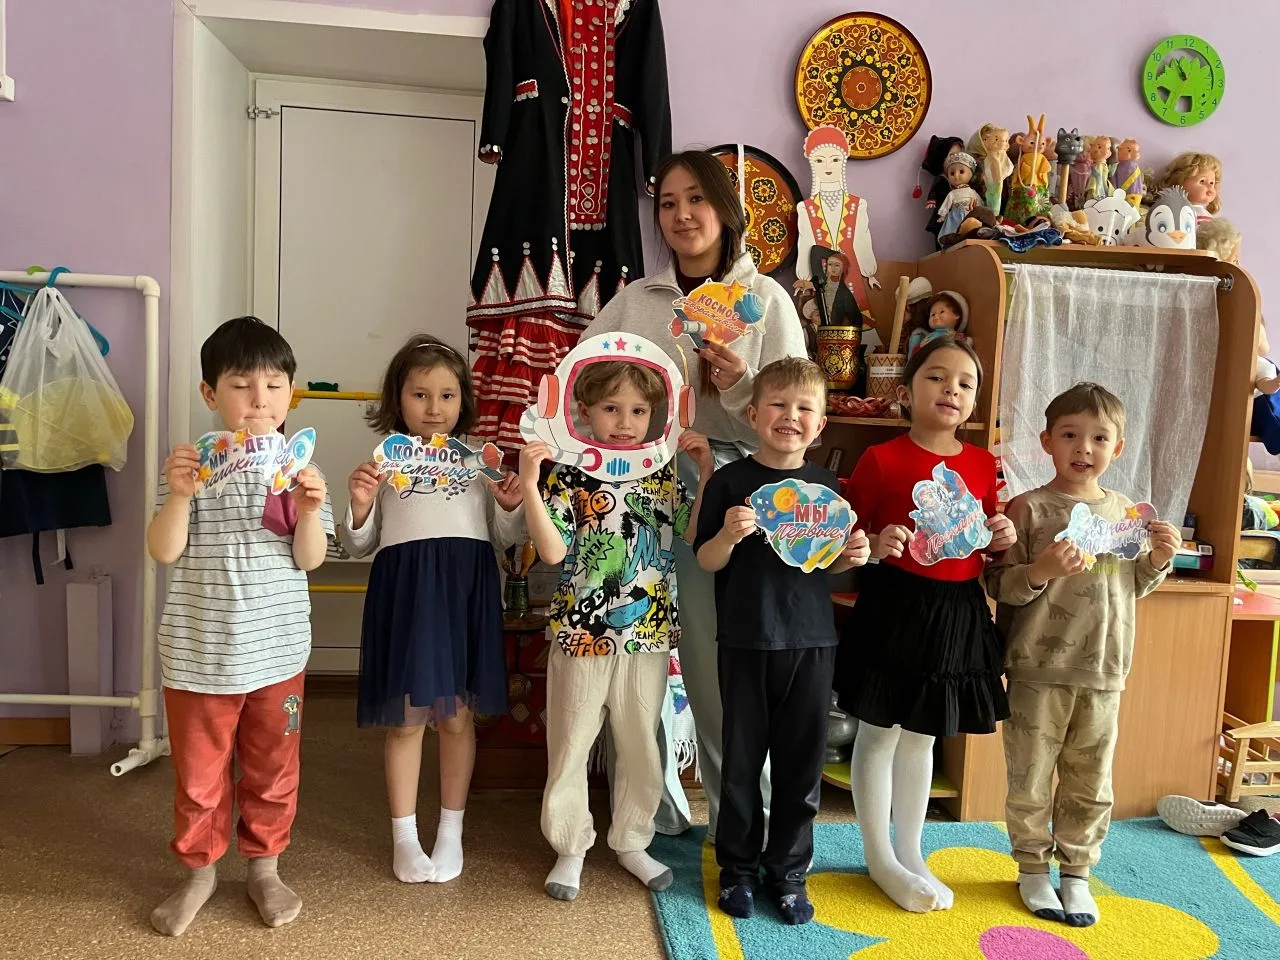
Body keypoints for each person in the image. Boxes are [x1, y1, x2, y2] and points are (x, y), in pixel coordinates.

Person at [579, 150, 809, 844]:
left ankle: (741, 818)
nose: (681, 215)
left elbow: (797, 413)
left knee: (717, 659)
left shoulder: (764, 301)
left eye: (696, 199)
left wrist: (741, 386)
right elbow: (580, 378)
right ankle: (648, 810)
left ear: (725, 209)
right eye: (668, 204)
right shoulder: (635, 300)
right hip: (635, 489)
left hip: (729, 485)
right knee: (635, 645)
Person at [146, 316, 334, 936]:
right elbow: (163, 550)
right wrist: (179, 494)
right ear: (210, 393)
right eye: (241, 385)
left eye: (275, 386)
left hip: (278, 653)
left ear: (291, 393)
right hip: (199, 655)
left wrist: (310, 510)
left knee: (273, 768)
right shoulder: (194, 466)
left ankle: (265, 868)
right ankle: (199, 874)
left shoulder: (299, 467)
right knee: (200, 777)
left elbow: (310, 558)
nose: (260, 400)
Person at [836, 332, 1016, 914]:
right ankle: (877, 854)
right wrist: (873, 543)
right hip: (895, 604)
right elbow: (846, 536)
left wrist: (1002, 537)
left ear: (974, 401)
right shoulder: (881, 458)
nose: (950, 390)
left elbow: (983, 537)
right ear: (906, 391)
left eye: (965, 383)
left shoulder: (985, 464)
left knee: (923, 734)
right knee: (878, 731)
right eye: (937, 377)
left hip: (958, 608)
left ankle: (910, 851)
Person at [986, 383, 1178, 926]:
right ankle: (1030, 868)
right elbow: (998, 583)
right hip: (1036, 668)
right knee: (1029, 777)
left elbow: (1130, 587)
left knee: (1091, 780)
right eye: (1070, 435)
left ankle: (1077, 873)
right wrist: (1041, 570)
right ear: (1047, 441)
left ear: (1118, 448)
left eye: (1098, 438)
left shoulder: (1125, 514)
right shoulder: (1028, 508)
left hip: (1104, 669)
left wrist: (1158, 560)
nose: (1083, 448)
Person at [521, 358, 713, 900]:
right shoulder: (570, 472)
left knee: (639, 744)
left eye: (638, 410)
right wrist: (532, 483)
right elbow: (552, 551)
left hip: (646, 634)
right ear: (584, 411)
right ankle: (570, 847)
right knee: (571, 743)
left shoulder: (662, 473)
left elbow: (693, 535)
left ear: (655, 414)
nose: (625, 422)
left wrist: (706, 473)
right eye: (611, 408)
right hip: (582, 633)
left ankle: (632, 841)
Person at [342, 334, 525, 885]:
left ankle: (450, 832)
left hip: (466, 590)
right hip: (407, 593)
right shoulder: (384, 464)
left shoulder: (479, 463)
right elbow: (358, 544)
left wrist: (510, 509)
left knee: (456, 717)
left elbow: (503, 538)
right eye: (419, 394)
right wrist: (358, 507)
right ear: (397, 399)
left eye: (447, 395)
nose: (434, 407)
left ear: (463, 399)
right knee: (405, 720)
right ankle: (404, 838)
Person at [694, 357, 870, 924]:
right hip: (745, 641)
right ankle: (738, 871)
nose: (790, 416)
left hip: (812, 642)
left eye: (804, 408)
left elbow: (830, 567)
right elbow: (706, 559)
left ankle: (790, 873)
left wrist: (852, 555)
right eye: (777, 404)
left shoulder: (828, 488)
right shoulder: (730, 482)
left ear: (820, 424)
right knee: (741, 764)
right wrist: (727, 534)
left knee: (801, 765)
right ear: (752, 415)